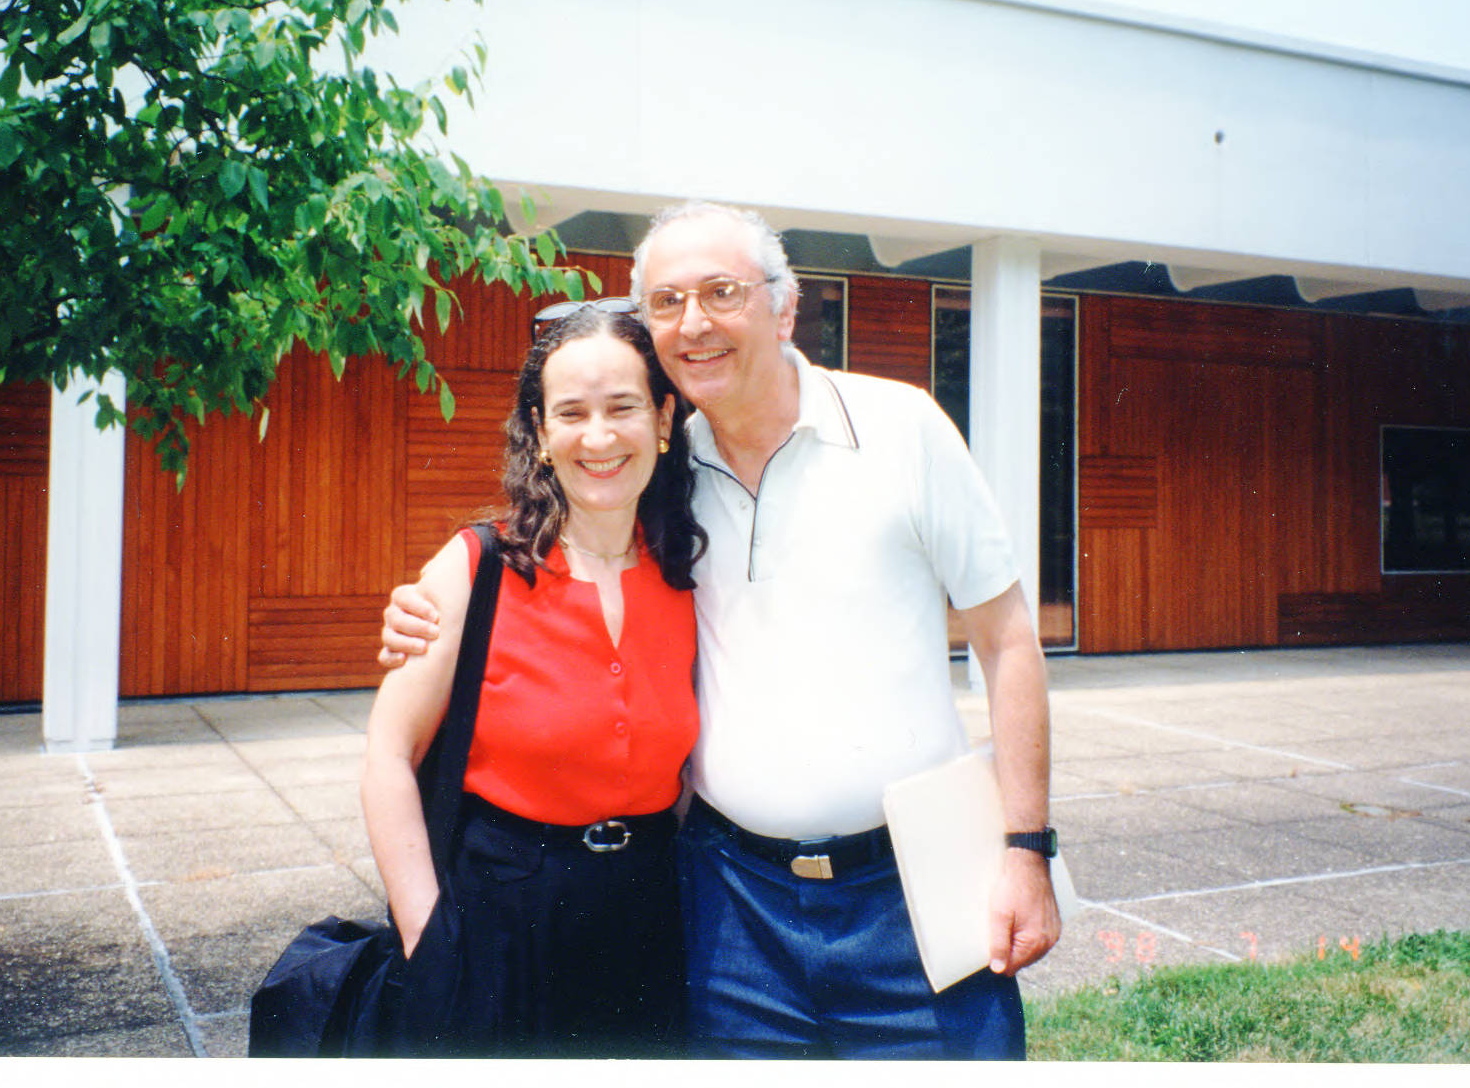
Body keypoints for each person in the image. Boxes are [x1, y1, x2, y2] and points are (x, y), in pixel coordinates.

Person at [380, 201, 1059, 1059]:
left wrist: (1026, 848)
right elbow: (562, 554)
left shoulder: (904, 428)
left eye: (721, 292)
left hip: (915, 891)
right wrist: (427, 605)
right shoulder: (662, 473)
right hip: (731, 909)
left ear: (785, 306)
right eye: (667, 302)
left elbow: (1008, 640)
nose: (694, 322)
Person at [360, 299, 708, 1056]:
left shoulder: (688, 575)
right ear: (541, 433)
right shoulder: (477, 566)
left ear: (663, 418)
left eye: (623, 407)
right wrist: (427, 937)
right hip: (500, 918)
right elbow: (388, 754)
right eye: (571, 413)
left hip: (650, 914)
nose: (599, 436)